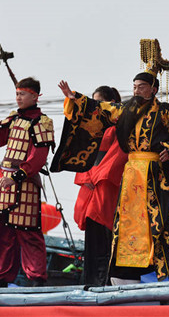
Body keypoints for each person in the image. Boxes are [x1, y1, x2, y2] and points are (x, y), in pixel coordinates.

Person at [52, 72, 169, 284]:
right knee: (127, 224)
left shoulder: (166, 112)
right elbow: (101, 109)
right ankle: (125, 273)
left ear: (153, 89)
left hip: (156, 174)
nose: (136, 91)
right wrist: (75, 98)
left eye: (141, 86)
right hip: (132, 174)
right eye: (134, 86)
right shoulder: (126, 111)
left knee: (166, 219)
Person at [0, 77, 54, 287]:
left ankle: (36, 277)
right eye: (17, 93)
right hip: (5, 180)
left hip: (25, 182)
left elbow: (38, 157)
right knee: (4, 230)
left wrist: (17, 176)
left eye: (22, 94)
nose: (18, 97)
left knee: (28, 230)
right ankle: (2, 275)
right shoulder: (14, 118)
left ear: (35, 96)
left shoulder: (43, 122)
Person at [72, 85, 127, 286]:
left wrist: (98, 177)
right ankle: (91, 279)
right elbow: (83, 156)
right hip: (90, 182)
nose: (95, 106)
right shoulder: (91, 126)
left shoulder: (119, 127)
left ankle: (104, 279)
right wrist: (87, 178)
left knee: (106, 229)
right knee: (92, 232)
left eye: (98, 101)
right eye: (93, 101)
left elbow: (118, 156)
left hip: (105, 183)